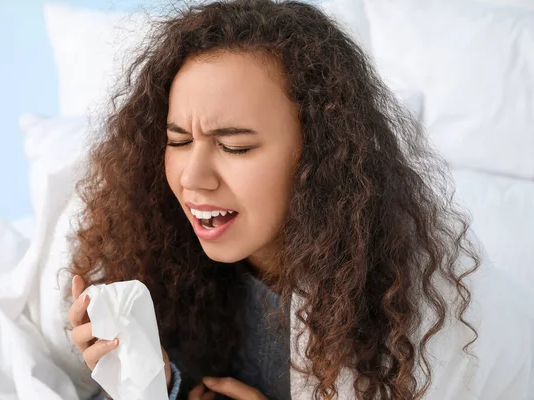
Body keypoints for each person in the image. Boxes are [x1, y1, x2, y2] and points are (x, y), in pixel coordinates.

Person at [66, 0, 534, 399]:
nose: (193, 177)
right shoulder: (156, 241)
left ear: (319, 151)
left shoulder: (428, 311)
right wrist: (156, 380)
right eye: (178, 140)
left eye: (235, 147)